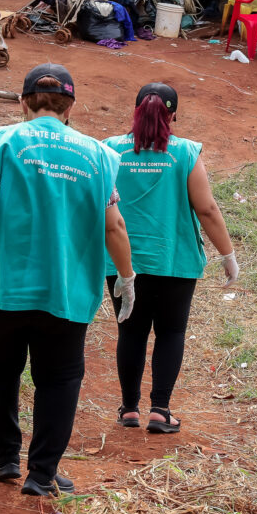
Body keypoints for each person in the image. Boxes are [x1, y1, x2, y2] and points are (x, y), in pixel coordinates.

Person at [0, 64, 137, 496]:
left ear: (23, 102)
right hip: (63, 291)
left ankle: (5, 458)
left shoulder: (2, 142)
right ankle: (42, 474)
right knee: (59, 378)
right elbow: (114, 226)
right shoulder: (99, 156)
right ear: (70, 106)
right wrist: (126, 276)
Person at [104, 82, 239, 434]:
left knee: (129, 332)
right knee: (170, 331)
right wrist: (228, 254)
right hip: (173, 260)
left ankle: (129, 409)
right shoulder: (185, 153)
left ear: (135, 111)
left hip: (122, 261)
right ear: (174, 114)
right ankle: (160, 411)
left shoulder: (109, 151)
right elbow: (207, 209)